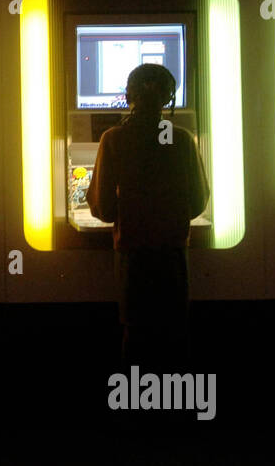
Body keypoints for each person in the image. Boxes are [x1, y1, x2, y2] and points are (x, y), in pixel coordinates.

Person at [87, 64, 208, 372]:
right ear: (169, 99)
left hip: (133, 253)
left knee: (136, 333)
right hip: (172, 251)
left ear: (129, 95)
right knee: (175, 332)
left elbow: (103, 209)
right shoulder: (181, 139)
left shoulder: (113, 139)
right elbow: (197, 201)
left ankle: (137, 401)